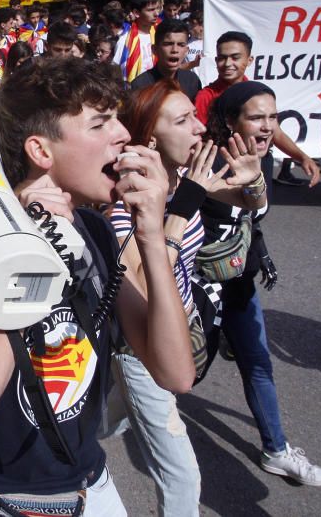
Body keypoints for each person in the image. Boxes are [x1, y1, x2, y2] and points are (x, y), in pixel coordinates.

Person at [0, 56, 195, 515]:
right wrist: (28, 242)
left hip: (88, 480)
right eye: (100, 124)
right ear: (41, 152)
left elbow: (176, 373)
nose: (124, 135)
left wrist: (150, 233)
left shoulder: (98, 232)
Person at [110, 78, 265, 516]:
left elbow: (249, 200)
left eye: (196, 116)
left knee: (106, 419)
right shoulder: (129, 197)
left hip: (180, 331)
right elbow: (136, 279)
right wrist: (174, 217)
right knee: (182, 477)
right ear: (150, 138)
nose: (200, 127)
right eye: (184, 120)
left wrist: (253, 181)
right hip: (141, 347)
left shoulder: (183, 179)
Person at [200, 81, 321, 486]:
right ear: (229, 121)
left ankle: (276, 450)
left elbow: (255, 211)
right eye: (255, 117)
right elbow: (244, 201)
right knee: (180, 376)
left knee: (257, 364)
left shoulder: (263, 158)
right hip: (197, 288)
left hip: (240, 281)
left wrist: (298, 154)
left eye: (272, 117)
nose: (266, 126)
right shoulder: (206, 161)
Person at [195, 31, 321, 187]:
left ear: (249, 60)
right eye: (222, 58)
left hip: (255, 169)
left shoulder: (258, 95)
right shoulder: (205, 97)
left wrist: (303, 157)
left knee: (258, 209)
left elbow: (276, 133)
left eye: (235, 57)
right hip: (219, 173)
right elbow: (196, 140)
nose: (228, 63)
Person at [130, 19, 202, 102]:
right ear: (155, 49)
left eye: (181, 45)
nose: (175, 50)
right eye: (168, 44)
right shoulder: (140, 85)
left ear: (186, 51)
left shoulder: (192, 81)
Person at [114, 0, 159, 82]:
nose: (156, 14)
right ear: (136, 13)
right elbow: (115, 71)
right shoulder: (124, 41)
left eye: (157, 8)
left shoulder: (160, 36)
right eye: (150, 10)